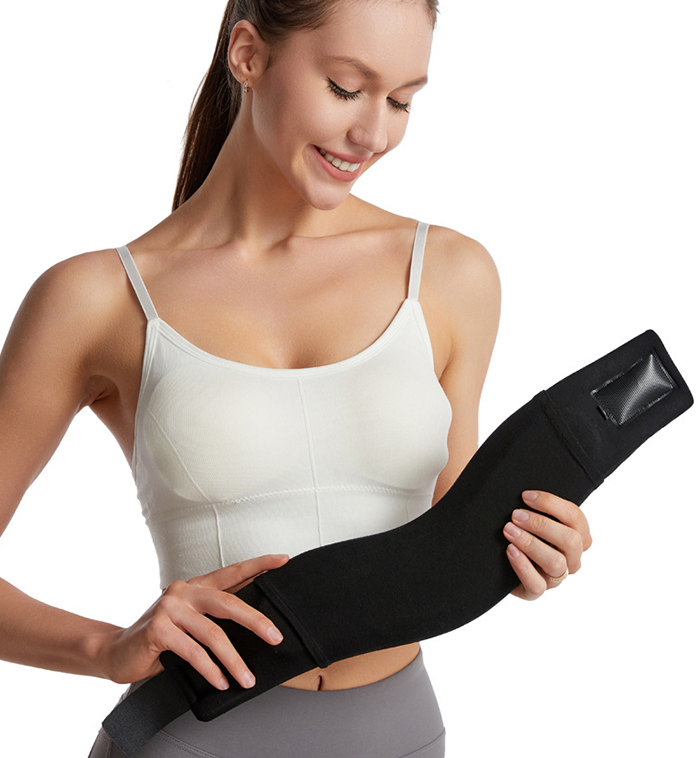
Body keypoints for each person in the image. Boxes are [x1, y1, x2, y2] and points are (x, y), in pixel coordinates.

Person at [0, 1, 593, 756]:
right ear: (248, 55)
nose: (373, 134)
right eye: (345, 87)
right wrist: (105, 647)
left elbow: (453, 540)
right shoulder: (96, 299)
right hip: (193, 739)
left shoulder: (449, 276)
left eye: (401, 100)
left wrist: (534, 546)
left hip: (400, 735)